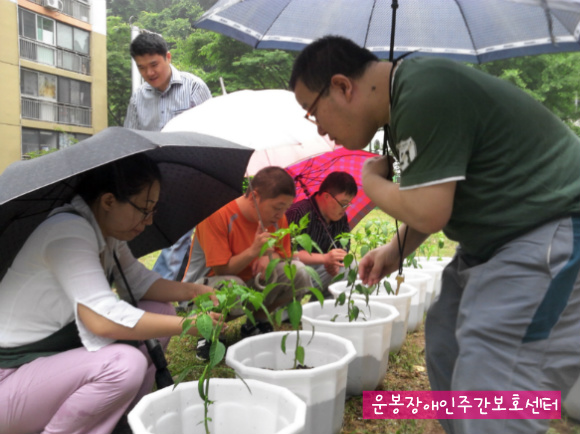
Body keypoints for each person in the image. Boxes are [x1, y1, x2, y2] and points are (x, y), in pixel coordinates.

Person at [290, 35, 580, 434]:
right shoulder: (402, 109)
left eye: (312, 111)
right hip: (493, 241)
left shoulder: (425, 92)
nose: (319, 127)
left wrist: (369, 181)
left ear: (342, 86)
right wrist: (395, 249)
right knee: (446, 342)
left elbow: (429, 209)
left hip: (548, 228)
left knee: (492, 370)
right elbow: (436, 200)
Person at [0, 154, 220, 434]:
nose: (149, 221)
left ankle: (123, 419)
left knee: (161, 310)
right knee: (123, 366)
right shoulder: (67, 232)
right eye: (144, 209)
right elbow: (101, 319)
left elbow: (140, 283)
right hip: (10, 380)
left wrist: (194, 290)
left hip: (44, 367)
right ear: (108, 201)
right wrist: (190, 325)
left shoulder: (106, 233)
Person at [182, 166, 312, 359]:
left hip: (249, 287)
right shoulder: (217, 213)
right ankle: (208, 331)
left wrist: (267, 257)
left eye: (285, 208)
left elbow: (283, 255)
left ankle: (256, 322)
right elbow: (220, 269)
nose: (281, 214)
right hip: (204, 289)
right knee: (232, 284)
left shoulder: (277, 219)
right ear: (254, 196)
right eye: (277, 207)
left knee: (298, 273)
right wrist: (253, 251)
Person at [124, 31, 212, 282]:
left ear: (168, 57)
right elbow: (132, 139)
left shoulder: (195, 88)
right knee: (142, 232)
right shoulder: (138, 98)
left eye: (154, 64)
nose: (150, 73)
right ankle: (150, 285)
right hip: (152, 176)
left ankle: (155, 290)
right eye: (142, 68)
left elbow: (211, 132)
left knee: (180, 237)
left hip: (189, 173)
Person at [285, 171, 357, 296]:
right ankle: (286, 314)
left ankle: (323, 309)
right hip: (297, 272)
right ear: (326, 196)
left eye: (348, 204)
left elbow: (343, 247)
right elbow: (289, 254)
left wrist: (336, 261)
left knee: (350, 265)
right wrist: (325, 259)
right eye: (343, 203)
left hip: (323, 270)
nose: (345, 209)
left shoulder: (341, 217)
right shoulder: (298, 212)